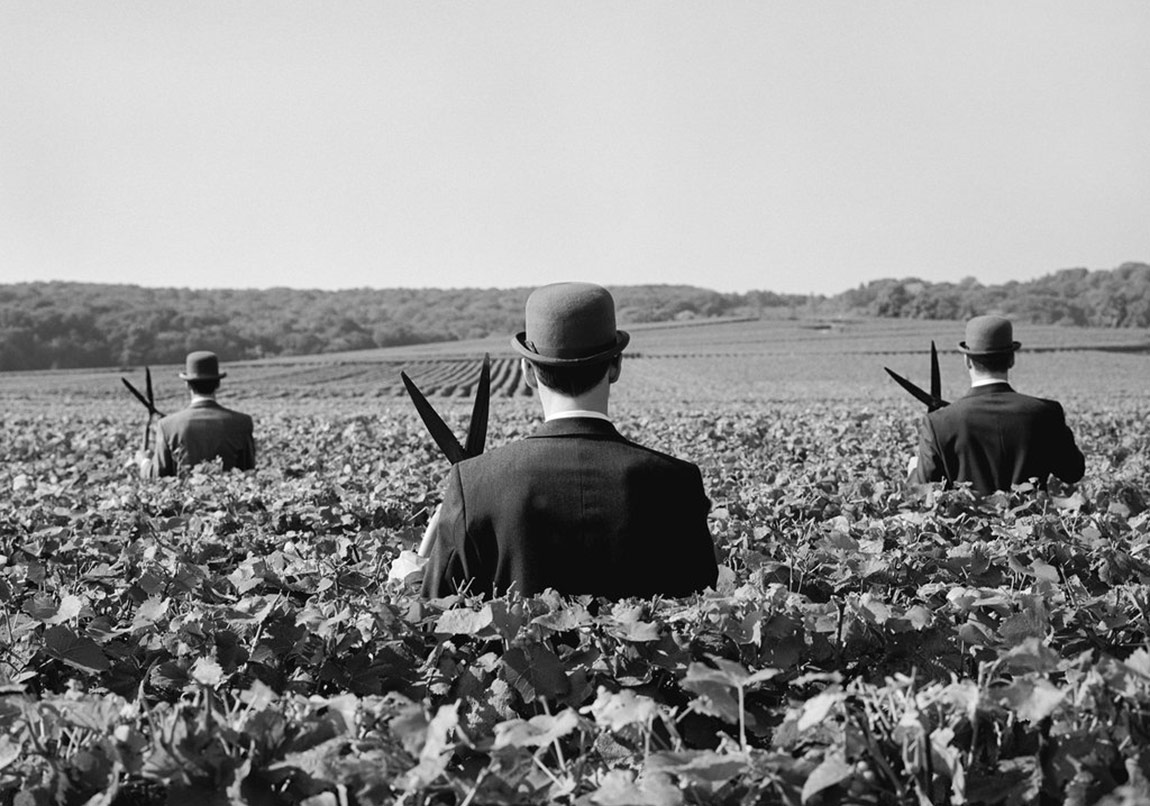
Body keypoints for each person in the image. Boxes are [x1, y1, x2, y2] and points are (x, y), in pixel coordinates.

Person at [421, 282, 718, 599]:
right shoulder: (677, 482)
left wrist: (411, 575)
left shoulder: (475, 482)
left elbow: (436, 624)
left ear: (527, 372)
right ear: (616, 365)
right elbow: (702, 618)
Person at [908, 315, 1084, 494]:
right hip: (1031, 521)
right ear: (1012, 360)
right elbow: (1073, 472)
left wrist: (914, 469)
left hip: (965, 522)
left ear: (967, 361)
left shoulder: (938, 423)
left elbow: (922, 493)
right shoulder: (1047, 413)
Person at [136, 351, 255, 478]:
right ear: (218, 384)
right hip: (231, 496)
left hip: (183, 497)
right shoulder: (242, 422)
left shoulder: (167, 426)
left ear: (187, 384)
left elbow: (158, 477)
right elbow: (248, 474)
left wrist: (144, 461)